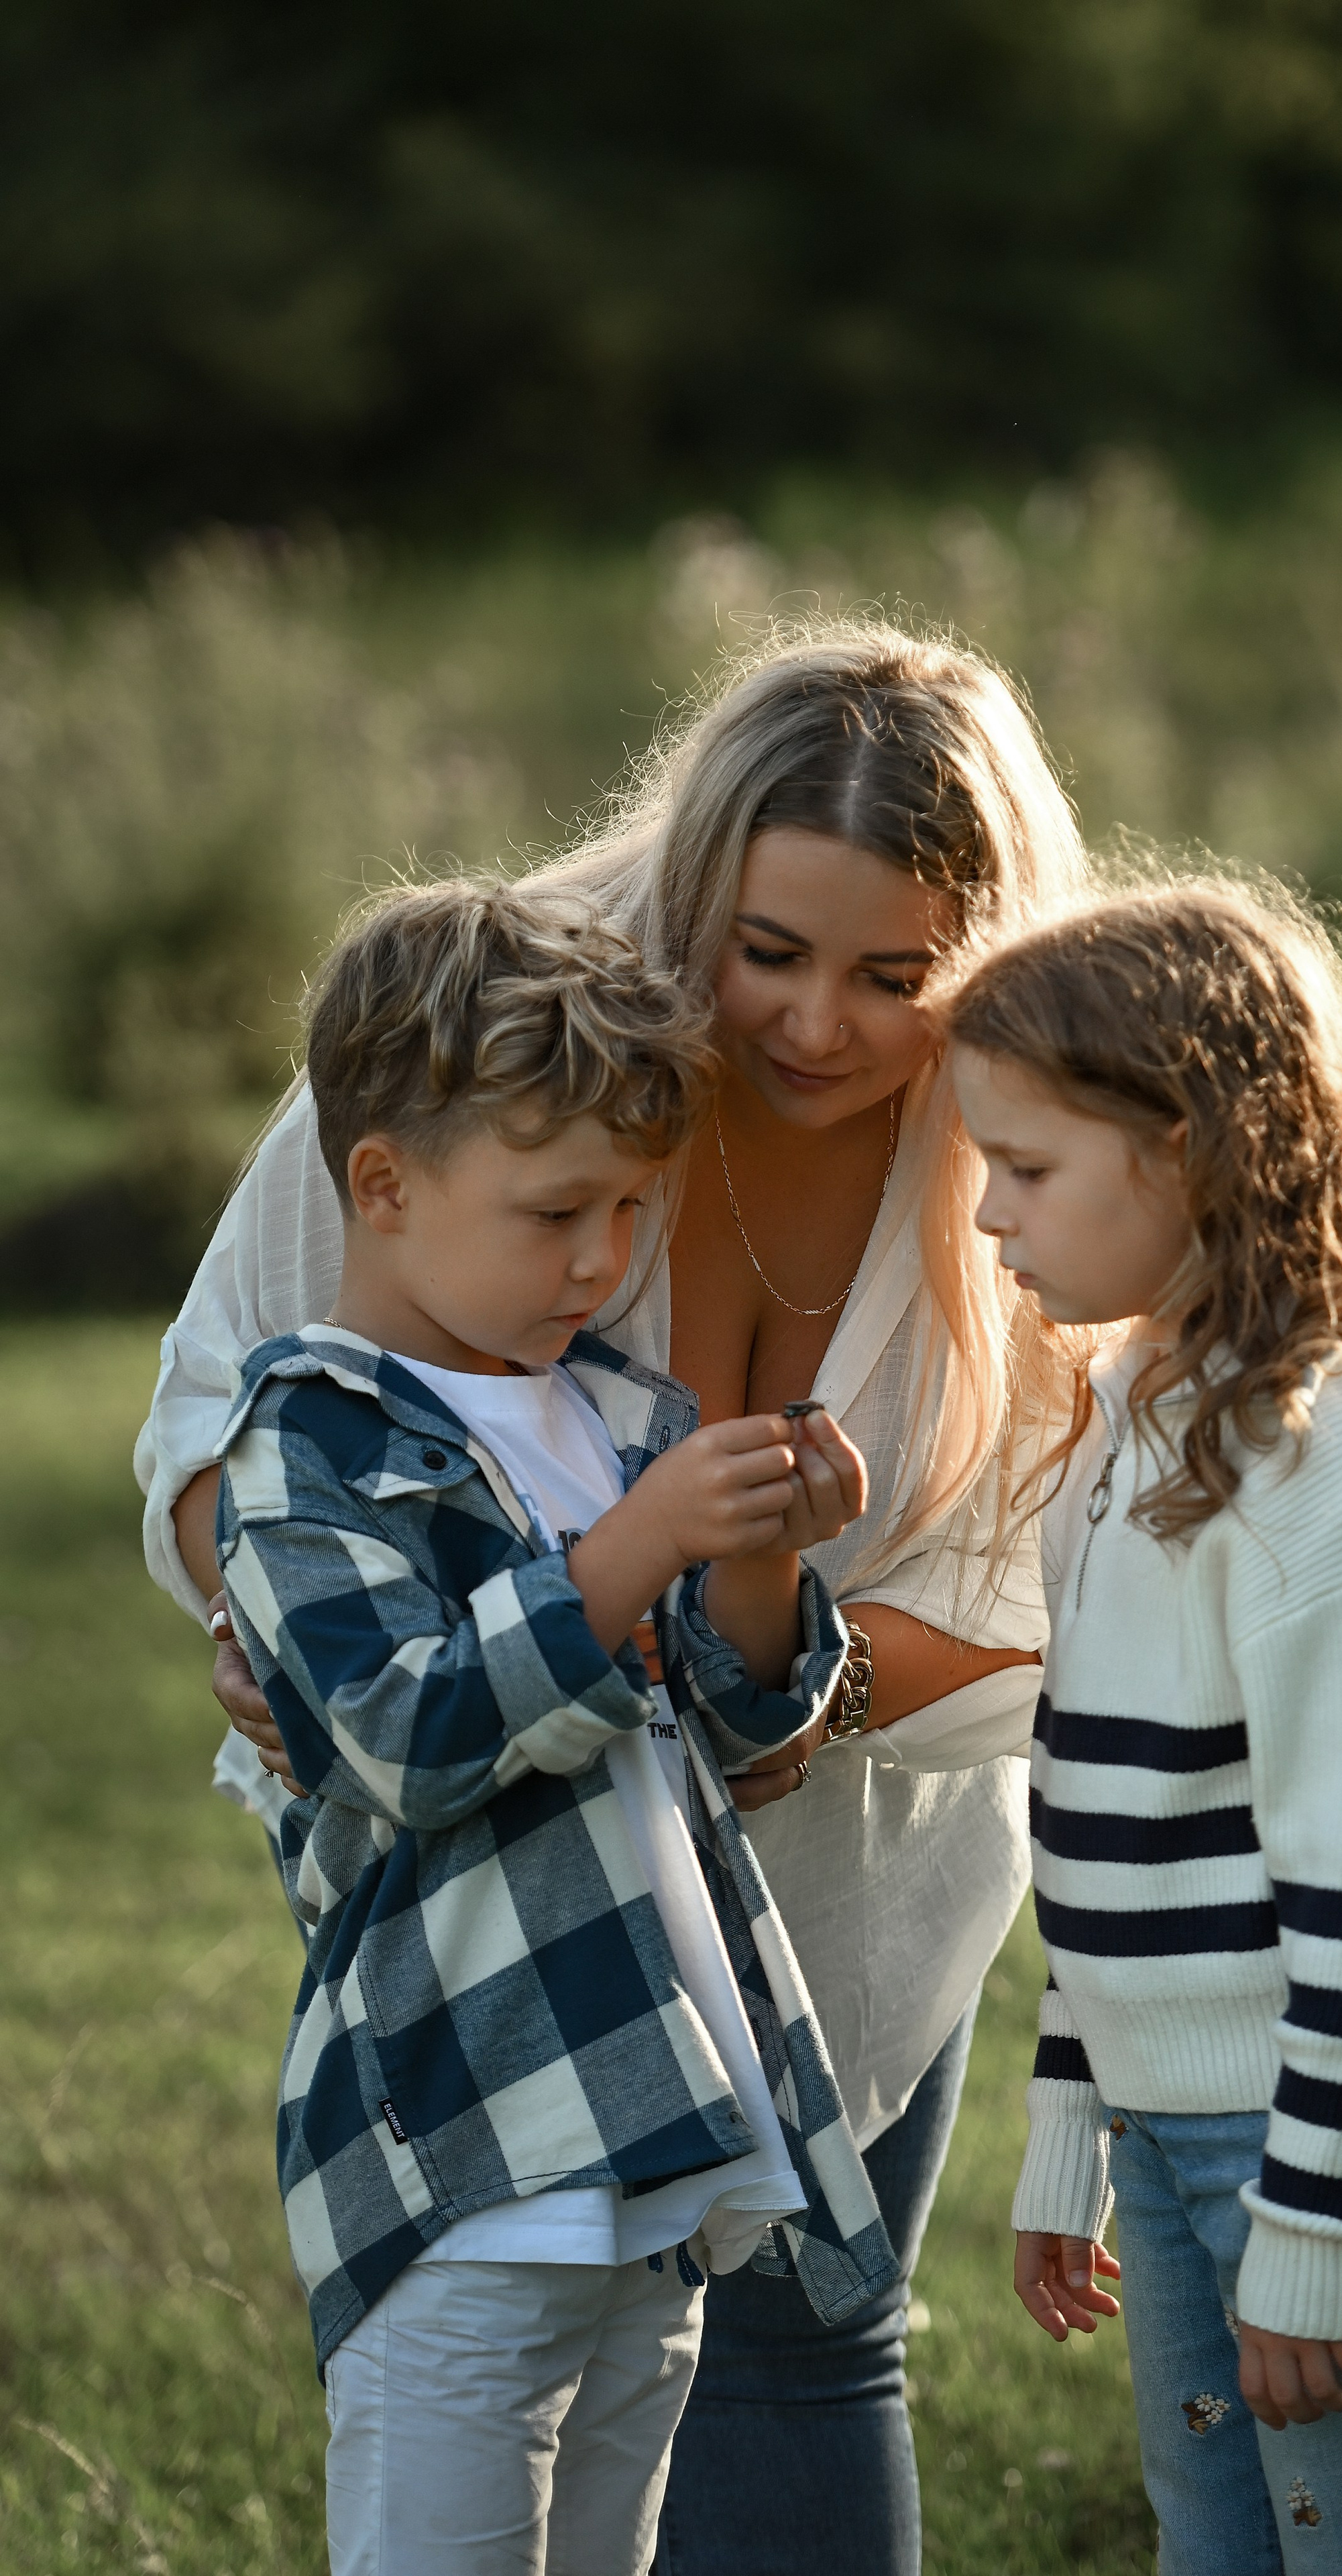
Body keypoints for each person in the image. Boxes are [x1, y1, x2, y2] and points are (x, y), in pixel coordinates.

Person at [135, 619, 1090, 2576]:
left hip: (859, 1853)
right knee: (493, 2375)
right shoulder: (516, 1028)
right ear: (688, 903)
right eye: (768, 956)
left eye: (895, 978)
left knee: (807, 2351)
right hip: (510, 1893)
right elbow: (234, 1403)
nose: (818, 1024)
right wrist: (283, 1620)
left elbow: (1089, 1587)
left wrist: (770, 1635)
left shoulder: (1053, 1113)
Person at [219, 875, 890, 2575]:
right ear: (381, 1184)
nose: (600, 1260)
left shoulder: (615, 1415)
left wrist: (759, 1563)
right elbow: (404, 1738)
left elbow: (739, 1731)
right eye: (552, 1212)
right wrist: (634, 1546)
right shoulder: (313, 1442)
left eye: (629, 1210)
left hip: (650, 2143)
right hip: (463, 2157)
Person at [946, 877, 1342, 2575]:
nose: (990, 1217)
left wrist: (1304, 2233)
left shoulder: (1311, 1462)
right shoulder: (1135, 1405)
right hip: (1184, 2126)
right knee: (1219, 2542)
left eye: (1029, 1168)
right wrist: (1075, 2127)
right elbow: (1109, 1833)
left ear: (1192, 1151)